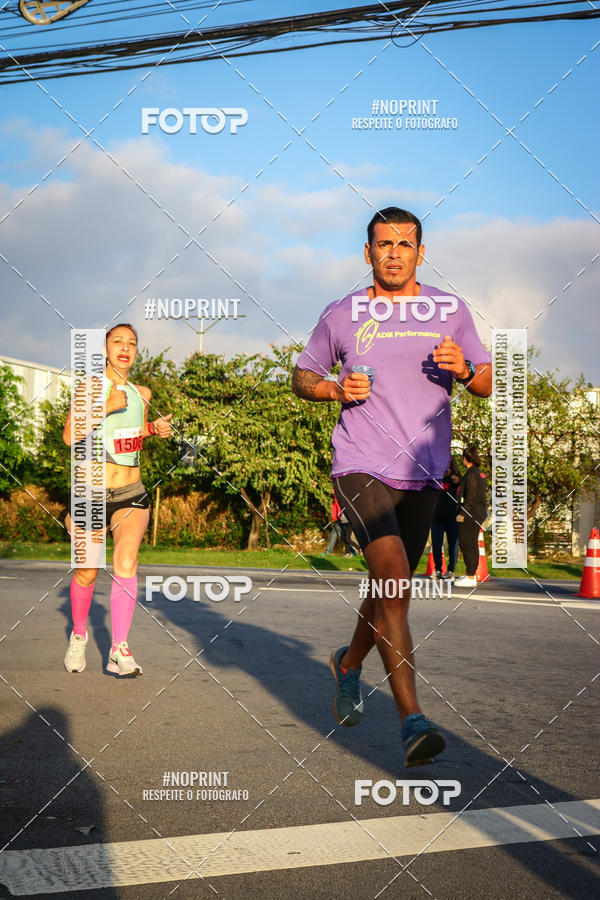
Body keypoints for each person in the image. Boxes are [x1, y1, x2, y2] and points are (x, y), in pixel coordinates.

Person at [292, 206, 492, 766]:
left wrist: (466, 369)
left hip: (425, 469)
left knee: (387, 584)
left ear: (421, 253)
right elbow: (302, 375)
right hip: (360, 462)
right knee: (396, 579)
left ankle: (350, 663)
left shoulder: (450, 310)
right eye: (384, 244)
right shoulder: (343, 313)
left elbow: (487, 381)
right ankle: (412, 719)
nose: (395, 252)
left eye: (406, 243)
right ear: (368, 253)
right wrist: (335, 390)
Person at [62, 323, 172, 676]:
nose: (125, 347)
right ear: (105, 349)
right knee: (87, 571)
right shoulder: (91, 387)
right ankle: (79, 634)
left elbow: (128, 436)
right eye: (117, 341)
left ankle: (119, 648)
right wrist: (105, 407)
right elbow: (69, 435)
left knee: (127, 561)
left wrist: (153, 429)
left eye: (132, 343)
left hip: (130, 492)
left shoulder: (143, 393)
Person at [454, 446, 488, 587]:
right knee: (471, 542)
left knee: (466, 542)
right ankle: (471, 574)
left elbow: (471, 497)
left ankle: (470, 575)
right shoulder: (478, 474)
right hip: (477, 512)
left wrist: (462, 513)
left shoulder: (472, 474)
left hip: (471, 512)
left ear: (465, 459)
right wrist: (460, 481)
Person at [431, 458, 461, 580]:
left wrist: (459, 481)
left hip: (452, 517)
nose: (445, 465)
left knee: (453, 544)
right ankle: (438, 570)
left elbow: (466, 488)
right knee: (437, 544)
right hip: (436, 517)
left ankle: (451, 571)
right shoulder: (435, 477)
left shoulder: (456, 478)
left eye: (448, 462)